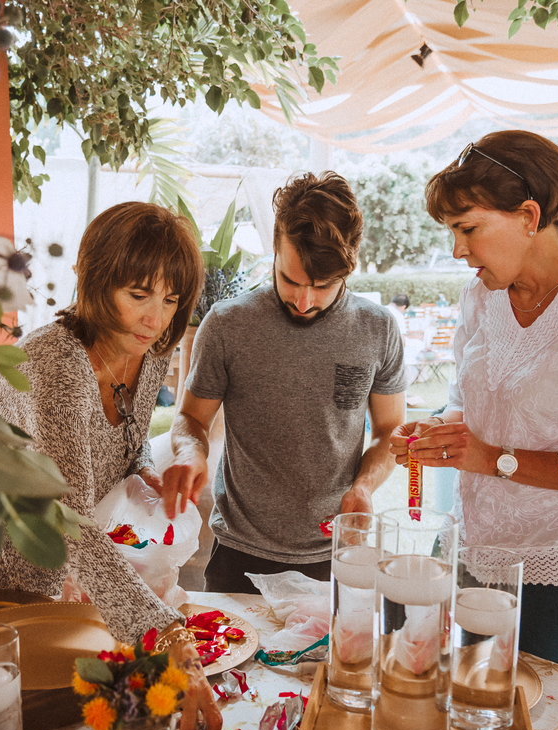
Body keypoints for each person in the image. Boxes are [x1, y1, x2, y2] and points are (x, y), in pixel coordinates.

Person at [0, 202, 219, 730]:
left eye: (170, 299)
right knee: (0, 719)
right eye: (138, 295)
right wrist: (170, 639)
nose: (156, 319)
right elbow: (75, 528)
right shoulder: (53, 365)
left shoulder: (149, 350)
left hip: (53, 527)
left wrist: (147, 471)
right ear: (97, 282)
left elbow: (128, 445)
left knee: (73, 714)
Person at [390, 131, 558, 673]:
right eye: (452, 231)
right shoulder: (479, 295)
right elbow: (462, 404)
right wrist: (438, 435)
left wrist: (490, 459)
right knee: (465, 703)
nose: (457, 250)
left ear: (529, 216)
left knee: (532, 728)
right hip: (473, 549)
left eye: (468, 228)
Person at [161, 172, 407, 593]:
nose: (304, 300)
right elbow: (191, 418)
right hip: (238, 555)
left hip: (337, 554)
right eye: (291, 280)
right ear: (275, 249)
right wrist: (190, 451)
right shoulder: (227, 324)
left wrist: (364, 487)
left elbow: (389, 431)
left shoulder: (379, 329)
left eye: (322, 286)